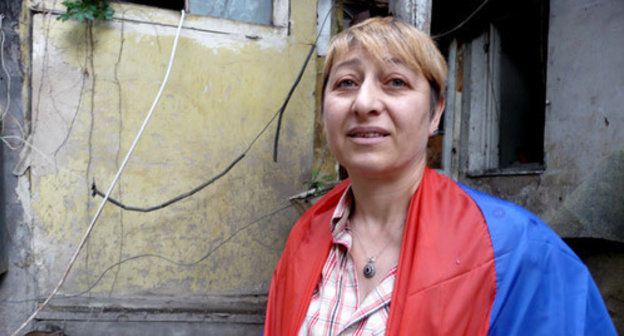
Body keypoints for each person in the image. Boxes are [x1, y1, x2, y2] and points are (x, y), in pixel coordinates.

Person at [263, 17, 616, 335]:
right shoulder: (306, 237)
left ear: (436, 113)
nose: (364, 103)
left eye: (396, 82)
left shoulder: (517, 250)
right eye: (346, 83)